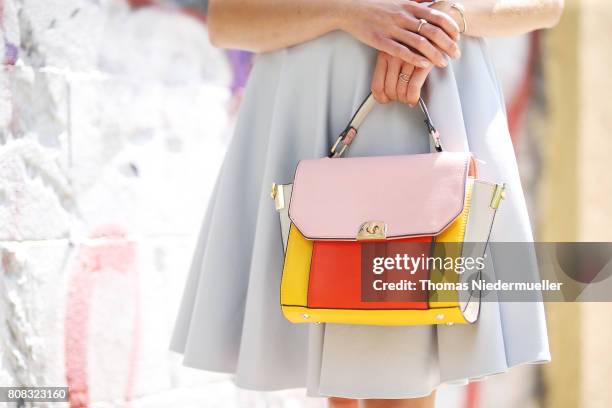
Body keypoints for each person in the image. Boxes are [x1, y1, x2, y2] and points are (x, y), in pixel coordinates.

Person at [170, 1, 564, 407]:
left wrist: (439, 23)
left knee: (402, 372)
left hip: (423, 108)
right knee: (341, 366)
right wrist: (345, 12)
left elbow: (546, 6)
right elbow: (227, 20)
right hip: (305, 108)